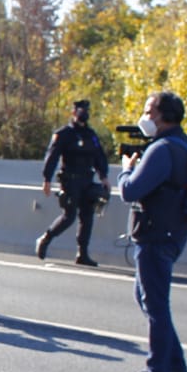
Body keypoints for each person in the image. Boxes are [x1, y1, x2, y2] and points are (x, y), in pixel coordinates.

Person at [114, 90, 187, 372]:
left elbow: (131, 191)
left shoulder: (162, 149)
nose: (145, 117)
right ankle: (173, 363)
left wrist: (125, 170)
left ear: (162, 116)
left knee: (155, 303)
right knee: (147, 297)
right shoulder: (184, 144)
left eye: (149, 111)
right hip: (174, 230)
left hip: (156, 234)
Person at [37, 98, 110, 267]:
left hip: (87, 180)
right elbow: (52, 156)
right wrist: (46, 179)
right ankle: (46, 238)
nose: (83, 114)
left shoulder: (91, 135)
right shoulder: (64, 134)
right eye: (80, 111)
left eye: (86, 111)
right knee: (69, 216)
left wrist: (104, 177)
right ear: (73, 113)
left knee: (87, 216)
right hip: (70, 181)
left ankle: (82, 253)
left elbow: (99, 156)